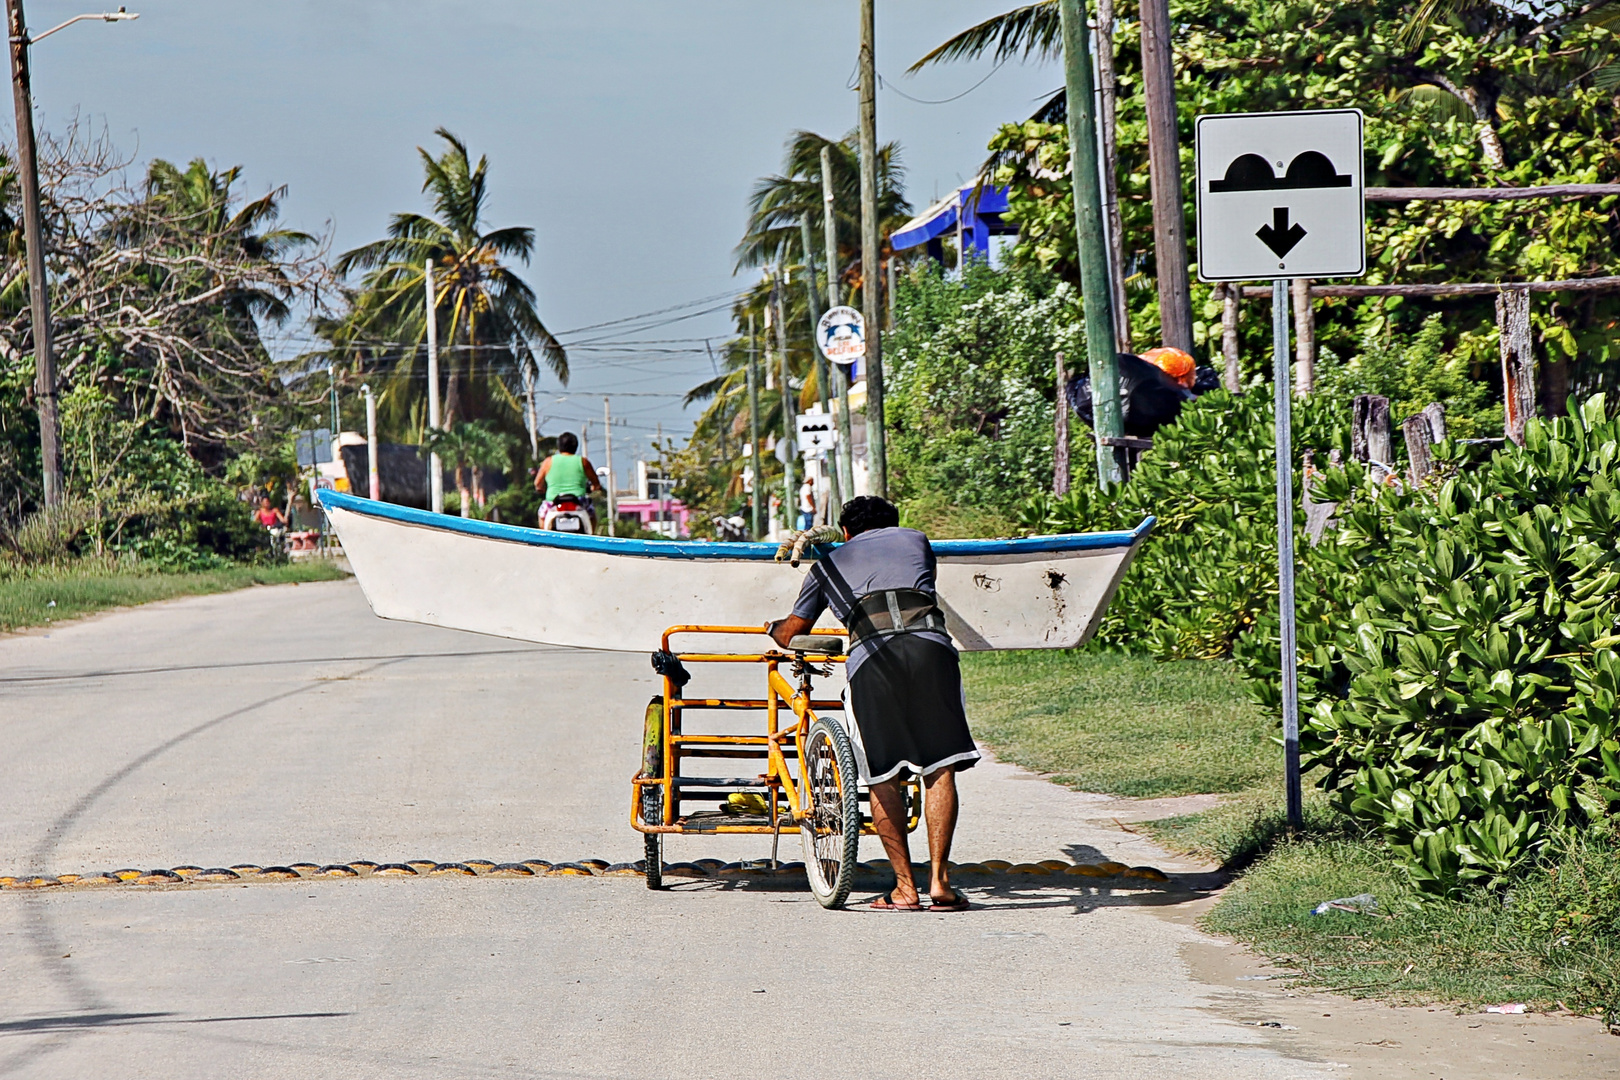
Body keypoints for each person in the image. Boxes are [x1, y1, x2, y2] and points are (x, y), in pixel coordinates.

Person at [767, 495, 979, 912]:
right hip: (931, 649)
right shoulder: (916, 541)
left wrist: (773, 629)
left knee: (881, 773)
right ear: (893, 524)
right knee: (939, 767)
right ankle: (940, 882)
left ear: (845, 532)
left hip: (872, 659)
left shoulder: (826, 564)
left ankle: (904, 888)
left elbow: (793, 632)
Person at [533, 432, 602, 527]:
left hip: (553, 502)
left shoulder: (548, 462)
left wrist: (542, 489)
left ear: (559, 446)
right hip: (579, 501)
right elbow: (596, 483)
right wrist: (594, 487)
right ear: (575, 446)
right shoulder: (583, 462)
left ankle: (543, 538)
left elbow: (537, 483)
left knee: (542, 516)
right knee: (592, 515)